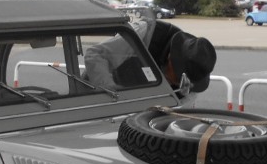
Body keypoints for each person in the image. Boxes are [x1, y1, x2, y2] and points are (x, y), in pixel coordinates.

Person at [85, 15, 217, 100]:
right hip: (94, 92)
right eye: (177, 78)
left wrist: (182, 95)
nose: (177, 85)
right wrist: (112, 91)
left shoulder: (195, 73)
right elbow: (95, 55)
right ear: (171, 57)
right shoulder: (145, 32)